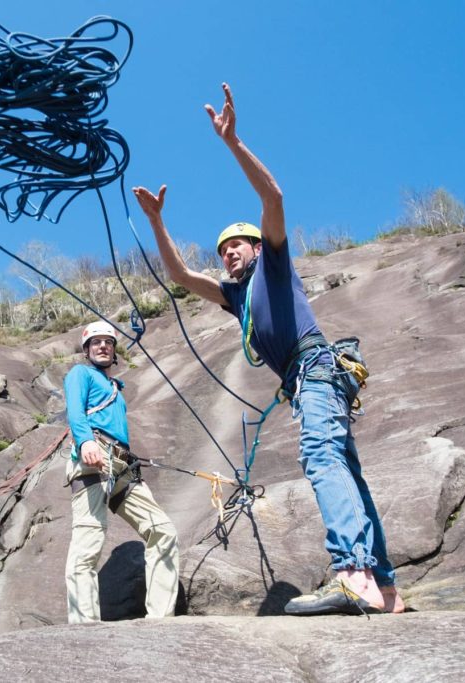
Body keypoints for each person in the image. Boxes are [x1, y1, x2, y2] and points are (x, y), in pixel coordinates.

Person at [132, 83, 404, 616]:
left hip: (317, 370)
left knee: (324, 459)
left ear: (257, 247)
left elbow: (273, 198)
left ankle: (353, 572)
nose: (230, 253)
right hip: (309, 382)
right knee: (344, 467)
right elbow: (180, 276)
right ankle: (385, 587)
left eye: (238, 244)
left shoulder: (273, 267)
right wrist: (157, 223)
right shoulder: (237, 297)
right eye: (224, 249)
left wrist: (233, 143)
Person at [63, 320, 180, 623]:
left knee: (162, 530)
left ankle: (160, 618)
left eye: (108, 342)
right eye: (96, 342)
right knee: (88, 540)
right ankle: (83, 623)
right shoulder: (80, 374)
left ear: (114, 351)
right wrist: (86, 440)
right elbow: (75, 411)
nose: (103, 346)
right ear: (87, 349)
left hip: (122, 462)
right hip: (94, 454)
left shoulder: (116, 388)